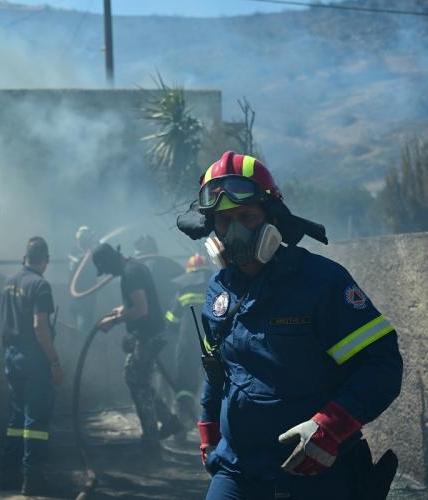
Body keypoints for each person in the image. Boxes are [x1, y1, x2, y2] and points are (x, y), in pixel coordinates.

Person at [177, 151, 403, 499]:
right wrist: (209, 432)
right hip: (237, 472)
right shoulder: (218, 290)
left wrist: (329, 428)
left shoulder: (322, 283)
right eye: (223, 221)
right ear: (212, 229)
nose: (234, 230)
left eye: (246, 216)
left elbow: (382, 364)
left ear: (272, 220)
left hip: (314, 473)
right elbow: (216, 372)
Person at [92, 243, 182, 459]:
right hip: (150, 333)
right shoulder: (133, 267)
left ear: (111, 260)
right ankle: (168, 422)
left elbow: (141, 309)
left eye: (106, 268)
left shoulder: (130, 274)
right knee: (136, 379)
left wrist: (114, 321)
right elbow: (139, 302)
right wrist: (122, 310)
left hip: (149, 335)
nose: (109, 274)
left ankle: (151, 442)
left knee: (137, 382)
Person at [0, 237, 63, 496]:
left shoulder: (9, 282)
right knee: (35, 423)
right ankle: (32, 479)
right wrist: (55, 361)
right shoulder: (40, 285)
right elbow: (40, 327)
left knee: (16, 419)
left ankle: (9, 475)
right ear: (45, 260)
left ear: (25, 256)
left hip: (12, 357)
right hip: (35, 360)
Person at [163, 254, 210, 435]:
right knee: (215, 384)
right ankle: (214, 427)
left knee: (185, 385)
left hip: (187, 344)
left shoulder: (183, 291)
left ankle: (183, 425)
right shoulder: (216, 287)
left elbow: (171, 320)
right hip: (212, 344)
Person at [68, 225, 98, 332]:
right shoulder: (75, 253)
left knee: (86, 323)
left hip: (88, 296)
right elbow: (80, 262)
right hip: (80, 298)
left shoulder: (88, 252)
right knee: (83, 327)